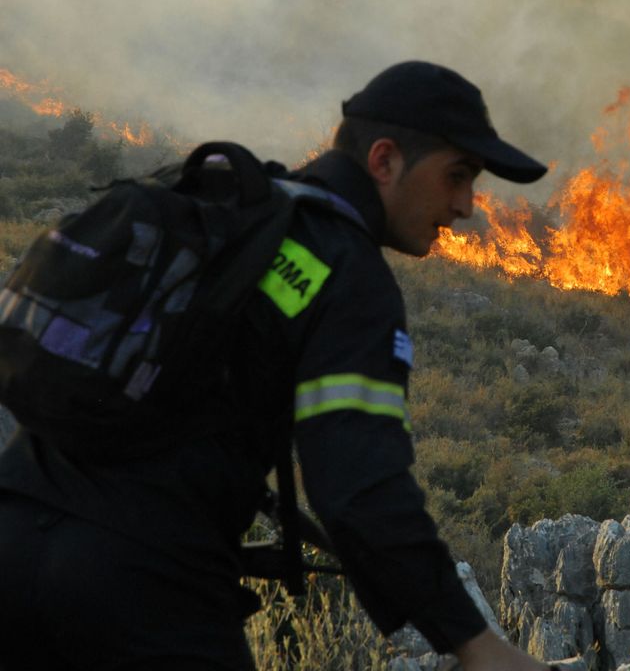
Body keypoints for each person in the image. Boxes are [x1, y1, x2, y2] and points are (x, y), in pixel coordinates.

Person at [0, 61, 554, 670]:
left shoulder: (233, 217)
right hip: (144, 587)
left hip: (14, 531)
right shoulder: (344, 270)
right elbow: (359, 489)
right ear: (386, 160)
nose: (467, 205)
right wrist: (476, 643)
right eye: (456, 176)